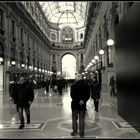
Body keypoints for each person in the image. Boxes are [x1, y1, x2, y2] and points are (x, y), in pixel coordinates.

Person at [70, 73, 90, 138]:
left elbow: (72, 95)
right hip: (82, 106)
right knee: (81, 119)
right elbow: (88, 95)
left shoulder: (73, 85)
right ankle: (81, 133)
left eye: (76, 77)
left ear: (79, 77)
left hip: (75, 105)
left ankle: (74, 132)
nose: (75, 78)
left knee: (74, 119)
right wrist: (83, 100)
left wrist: (77, 101)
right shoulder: (85, 85)